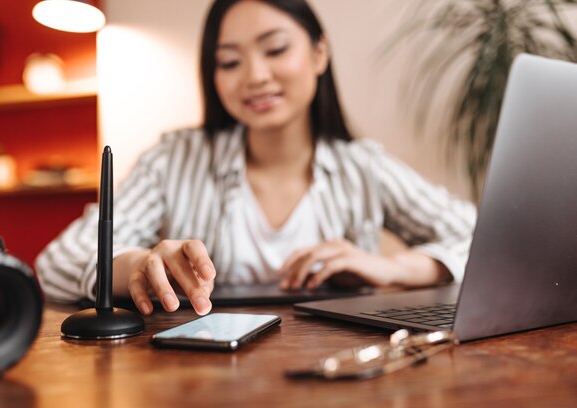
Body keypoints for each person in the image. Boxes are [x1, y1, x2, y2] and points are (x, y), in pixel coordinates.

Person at [35, 0, 476, 317]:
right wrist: (132, 266)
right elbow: (57, 262)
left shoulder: (363, 165)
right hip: (204, 383)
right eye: (229, 61)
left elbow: (483, 236)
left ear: (319, 53)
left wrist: (390, 267)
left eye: (276, 49)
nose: (255, 77)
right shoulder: (173, 160)